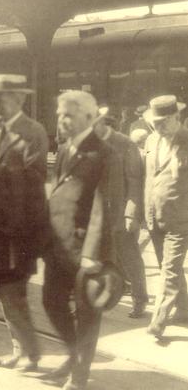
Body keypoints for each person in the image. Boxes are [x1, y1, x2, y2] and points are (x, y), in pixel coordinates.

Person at [0, 74, 48, 372]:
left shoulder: (34, 131)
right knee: (3, 291)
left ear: (18, 99)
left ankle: (31, 353)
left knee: (13, 292)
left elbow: (35, 179)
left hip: (21, 228)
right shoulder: (1, 129)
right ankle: (19, 350)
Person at [43, 90, 115, 390]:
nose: (61, 120)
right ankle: (74, 355)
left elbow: (103, 204)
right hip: (59, 244)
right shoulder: (63, 150)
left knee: (87, 314)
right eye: (59, 114)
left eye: (68, 114)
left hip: (86, 249)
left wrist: (92, 252)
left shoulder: (103, 153)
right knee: (51, 302)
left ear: (88, 116)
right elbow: (57, 195)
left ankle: (80, 376)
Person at [93, 109, 148, 318]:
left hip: (120, 213)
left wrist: (131, 214)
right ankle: (98, 300)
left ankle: (140, 299)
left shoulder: (126, 144)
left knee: (129, 256)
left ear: (103, 123)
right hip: (97, 214)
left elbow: (135, 182)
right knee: (97, 258)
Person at [143, 95, 188, 338]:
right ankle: (185, 309)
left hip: (181, 218)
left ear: (177, 117)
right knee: (168, 267)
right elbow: (149, 177)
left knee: (169, 270)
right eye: (155, 122)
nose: (158, 127)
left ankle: (158, 321)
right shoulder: (151, 140)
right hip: (153, 215)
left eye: (163, 122)